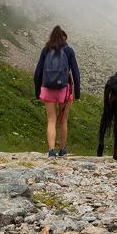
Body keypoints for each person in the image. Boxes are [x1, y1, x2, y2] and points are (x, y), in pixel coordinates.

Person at [34, 25, 81, 157]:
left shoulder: (46, 50)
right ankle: (62, 149)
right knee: (63, 120)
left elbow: (38, 72)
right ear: (64, 38)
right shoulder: (69, 51)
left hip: (47, 89)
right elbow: (76, 73)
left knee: (51, 119)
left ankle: (51, 150)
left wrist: (38, 91)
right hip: (64, 90)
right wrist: (77, 93)